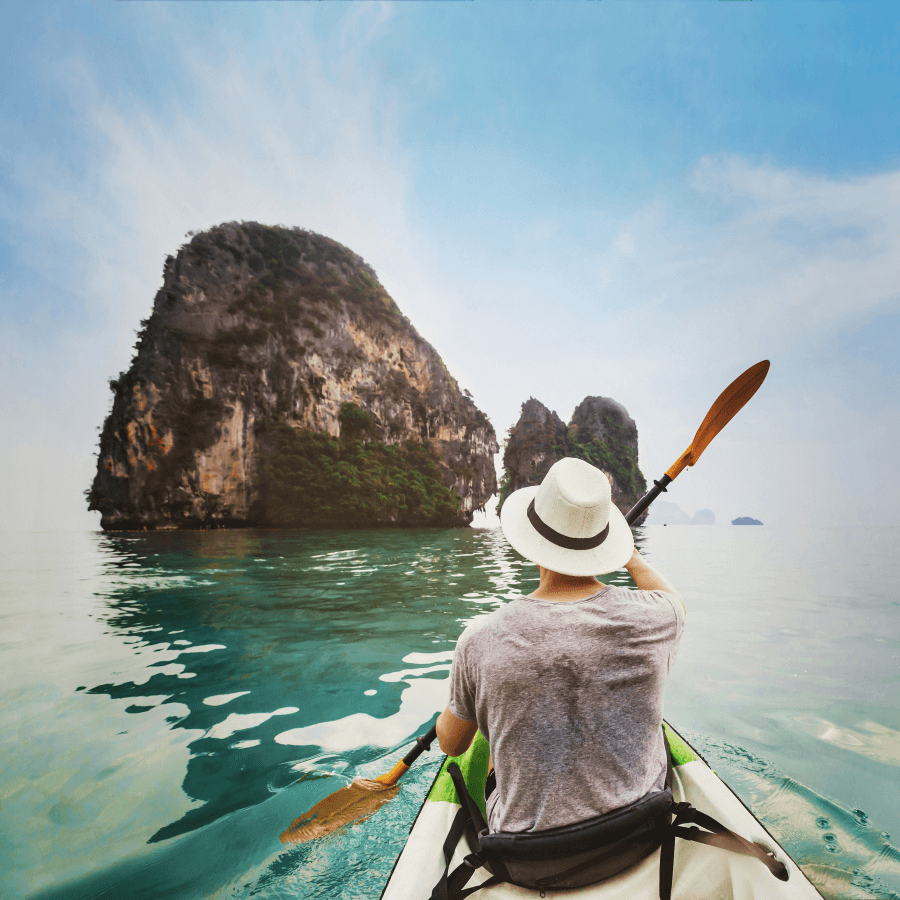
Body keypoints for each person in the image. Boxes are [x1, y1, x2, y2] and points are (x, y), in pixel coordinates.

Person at [435, 456, 686, 834]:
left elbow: (452, 745)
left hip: (531, 860)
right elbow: (675, 602)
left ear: (530, 539)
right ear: (604, 543)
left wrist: (460, 699)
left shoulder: (478, 640)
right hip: (638, 836)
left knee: (487, 744)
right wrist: (629, 555)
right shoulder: (657, 618)